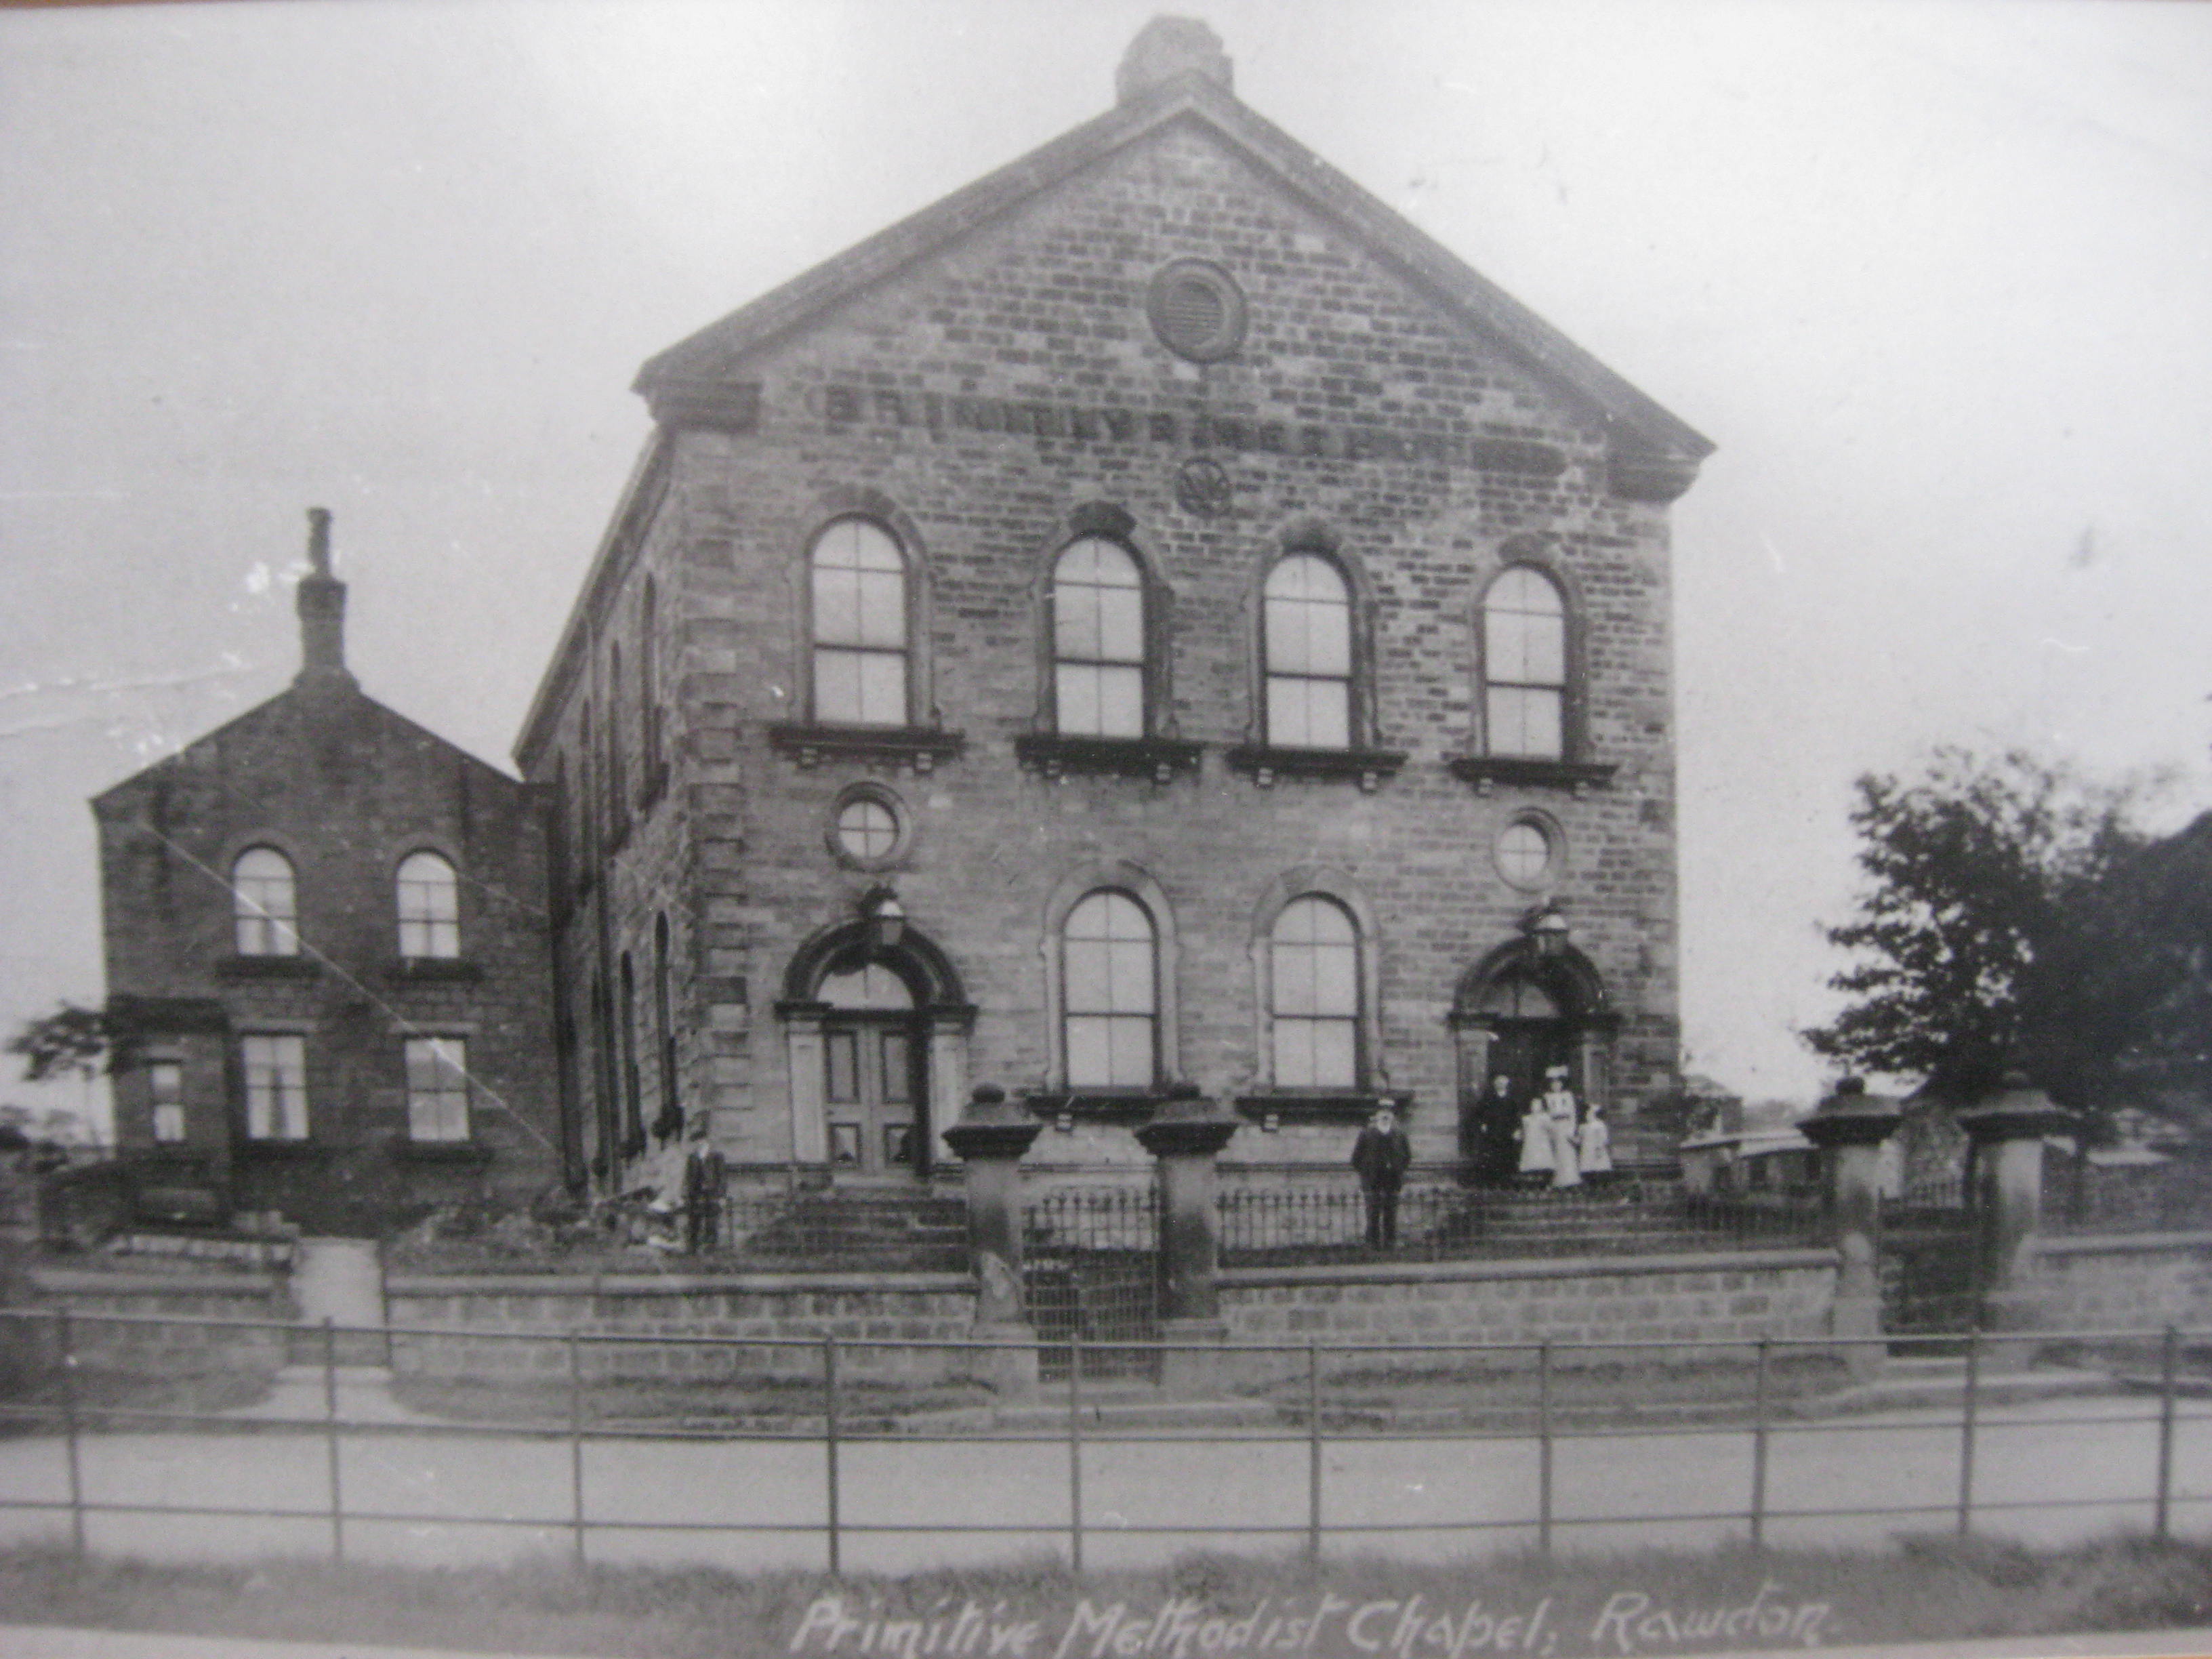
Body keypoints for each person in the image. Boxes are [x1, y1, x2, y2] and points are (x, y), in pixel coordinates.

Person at [1349, 1105, 1412, 1248]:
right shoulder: (1366, 1134)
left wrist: (1398, 1169)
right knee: (1373, 1211)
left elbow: (1407, 1157)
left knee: (1391, 1211)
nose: (1385, 1115)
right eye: (1382, 1112)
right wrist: (1367, 1173)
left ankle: (1390, 1242)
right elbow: (1356, 1159)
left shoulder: (1400, 1135)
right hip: (1373, 1179)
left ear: (1392, 1116)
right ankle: (1373, 1243)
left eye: (1388, 1113)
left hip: (1392, 1179)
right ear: (1376, 1116)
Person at [1476, 1073, 1521, 1187]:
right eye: (1498, 1083)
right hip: (1494, 1130)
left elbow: (1516, 1115)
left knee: (1507, 1155)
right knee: (1494, 1155)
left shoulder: (1512, 1099)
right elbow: (1483, 1112)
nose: (1501, 1085)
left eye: (1503, 1083)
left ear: (1507, 1084)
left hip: (1507, 1131)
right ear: (1495, 1085)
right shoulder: (1489, 1098)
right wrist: (1484, 1124)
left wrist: (1516, 1129)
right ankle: (1493, 1181)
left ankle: (1506, 1181)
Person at [1542, 1066, 1582, 1189]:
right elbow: (1546, 1113)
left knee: (1567, 1152)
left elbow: (1572, 1114)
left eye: (1558, 1083)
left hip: (1566, 1126)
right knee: (1555, 1152)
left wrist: (1571, 1129)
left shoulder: (1568, 1095)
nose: (1556, 1086)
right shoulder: (1547, 1097)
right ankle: (1556, 1180)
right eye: (1553, 1084)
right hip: (1554, 1126)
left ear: (1562, 1084)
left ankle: (1570, 1180)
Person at [1517, 1094, 1555, 1188]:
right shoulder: (1527, 1119)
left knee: (1542, 1162)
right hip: (1531, 1143)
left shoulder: (1545, 1117)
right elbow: (1524, 1131)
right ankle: (1532, 1184)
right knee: (1531, 1162)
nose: (1535, 1107)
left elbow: (1551, 1129)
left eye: (1538, 1105)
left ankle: (1545, 1184)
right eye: (1533, 1105)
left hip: (1541, 1143)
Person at [1578, 1103, 1614, 1184]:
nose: (1587, 1115)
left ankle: (1602, 1185)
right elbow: (1580, 1139)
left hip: (1596, 1150)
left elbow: (1603, 1138)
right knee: (1588, 1168)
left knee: (1599, 1167)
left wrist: (1599, 1148)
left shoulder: (1600, 1125)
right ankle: (1590, 1184)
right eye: (1587, 1114)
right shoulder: (1583, 1127)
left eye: (1590, 1114)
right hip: (1587, 1151)